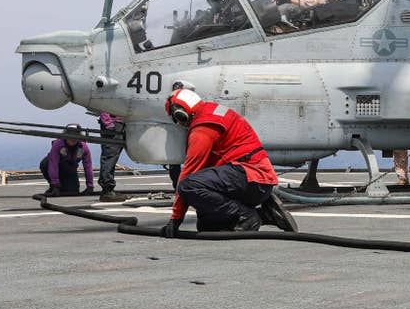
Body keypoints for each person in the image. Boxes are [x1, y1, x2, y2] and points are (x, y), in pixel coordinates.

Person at [159, 85, 297, 237]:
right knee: (207, 226)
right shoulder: (211, 110)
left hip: (251, 177)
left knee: (188, 187)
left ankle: (247, 216)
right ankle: (266, 214)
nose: (179, 124)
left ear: (181, 114)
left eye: (176, 119)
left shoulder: (202, 130)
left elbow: (189, 174)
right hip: (257, 180)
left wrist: (176, 218)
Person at [40, 124, 94, 197]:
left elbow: (88, 166)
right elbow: (53, 164)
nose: (72, 140)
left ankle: (62, 187)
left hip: (70, 169)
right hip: (57, 167)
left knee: (73, 191)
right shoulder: (58, 145)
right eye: (70, 136)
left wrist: (90, 186)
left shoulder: (83, 147)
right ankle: (53, 187)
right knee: (45, 163)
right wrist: (55, 184)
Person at [91, 110, 130, 202]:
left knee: (112, 156)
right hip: (113, 125)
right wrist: (109, 124)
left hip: (119, 124)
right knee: (110, 156)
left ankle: (108, 189)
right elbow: (102, 105)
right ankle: (107, 190)